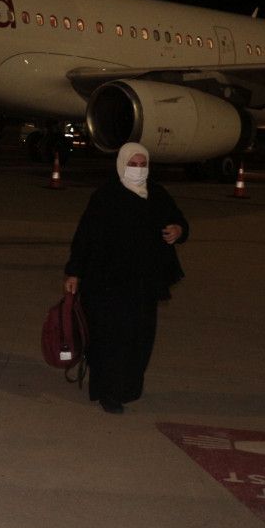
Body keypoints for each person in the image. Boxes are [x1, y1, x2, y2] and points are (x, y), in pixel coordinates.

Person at [62, 142, 188, 413]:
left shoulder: (156, 193)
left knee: (140, 338)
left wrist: (178, 230)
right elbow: (85, 236)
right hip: (107, 283)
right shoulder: (106, 196)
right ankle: (108, 391)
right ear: (121, 164)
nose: (138, 170)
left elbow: (179, 221)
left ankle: (129, 387)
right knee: (110, 338)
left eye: (143, 165)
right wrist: (74, 271)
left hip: (144, 284)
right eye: (133, 164)